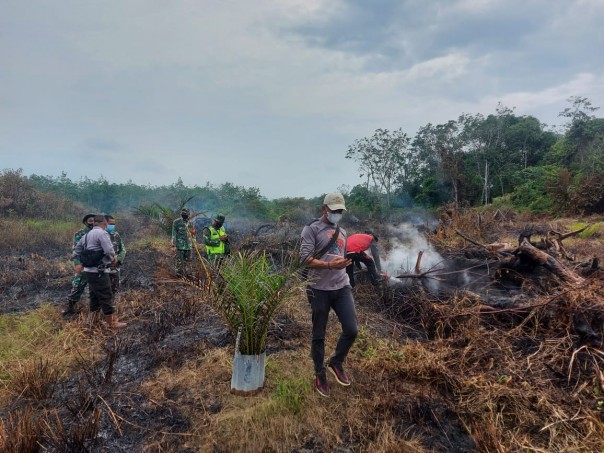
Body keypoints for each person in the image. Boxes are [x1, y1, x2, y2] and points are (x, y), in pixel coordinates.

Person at [300, 192, 357, 397]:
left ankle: (336, 362)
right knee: (319, 335)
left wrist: (344, 264)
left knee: (352, 329)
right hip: (318, 289)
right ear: (324, 209)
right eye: (334, 210)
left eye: (340, 210)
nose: (337, 213)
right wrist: (329, 265)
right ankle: (319, 373)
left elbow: (340, 257)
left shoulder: (342, 231)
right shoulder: (312, 229)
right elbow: (305, 258)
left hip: (341, 287)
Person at [72, 215, 126, 328]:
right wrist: (113, 258)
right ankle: (112, 323)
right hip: (99, 271)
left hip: (89, 271)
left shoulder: (87, 235)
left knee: (94, 296)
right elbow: (109, 250)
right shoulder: (102, 233)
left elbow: (77, 250)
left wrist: (84, 260)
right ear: (104, 222)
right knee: (106, 295)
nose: (108, 225)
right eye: (107, 223)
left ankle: (93, 321)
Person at [62, 213, 95, 316]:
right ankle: (70, 307)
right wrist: (77, 264)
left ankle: (95, 310)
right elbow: (76, 250)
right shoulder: (80, 234)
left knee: (96, 288)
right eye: (90, 221)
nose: (93, 223)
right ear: (85, 223)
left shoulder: (100, 233)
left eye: (94, 221)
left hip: (96, 265)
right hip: (83, 265)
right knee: (77, 285)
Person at [104, 215, 126, 297]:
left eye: (113, 224)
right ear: (104, 223)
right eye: (110, 223)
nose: (112, 226)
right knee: (103, 290)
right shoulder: (98, 235)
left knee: (115, 289)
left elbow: (123, 249)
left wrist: (118, 259)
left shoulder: (115, 235)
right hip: (103, 268)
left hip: (115, 268)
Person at [171, 208, 196, 277]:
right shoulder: (176, 222)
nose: (184, 215)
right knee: (179, 261)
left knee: (189, 261)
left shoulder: (191, 223)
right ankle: (179, 275)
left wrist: (194, 244)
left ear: (188, 214)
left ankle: (189, 275)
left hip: (189, 245)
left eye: (186, 214)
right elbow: (174, 234)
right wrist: (173, 245)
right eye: (183, 214)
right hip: (180, 245)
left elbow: (193, 234)